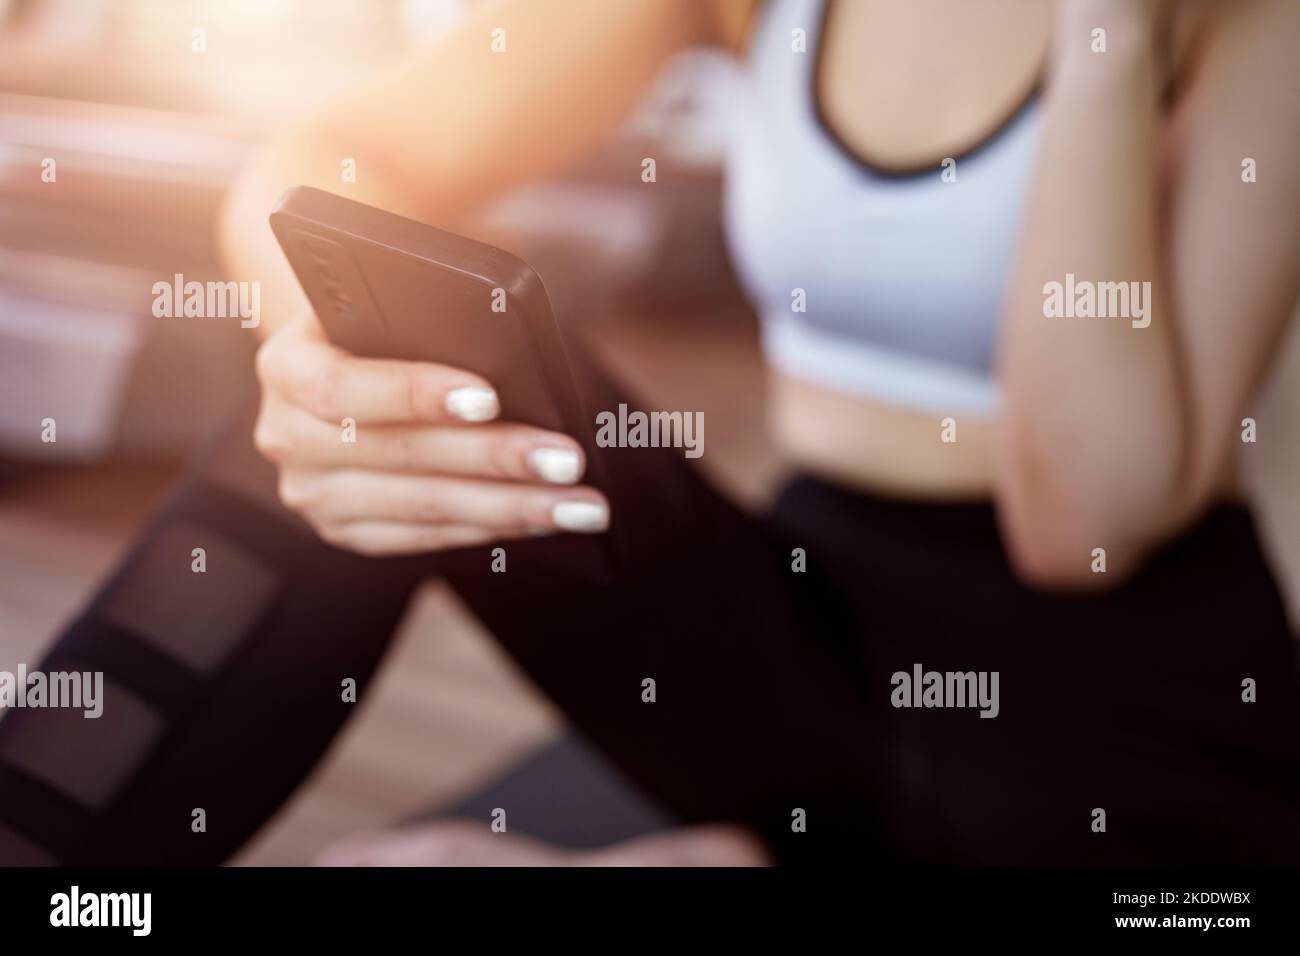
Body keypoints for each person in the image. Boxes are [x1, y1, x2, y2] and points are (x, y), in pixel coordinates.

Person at [218, 0, 1300, 865]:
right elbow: (333, 156)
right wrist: (326, 360)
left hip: (1118, 717)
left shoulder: (1254, 26)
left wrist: (1106, 40)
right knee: (384, 380)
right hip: (804, 640)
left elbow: (1081, 524)